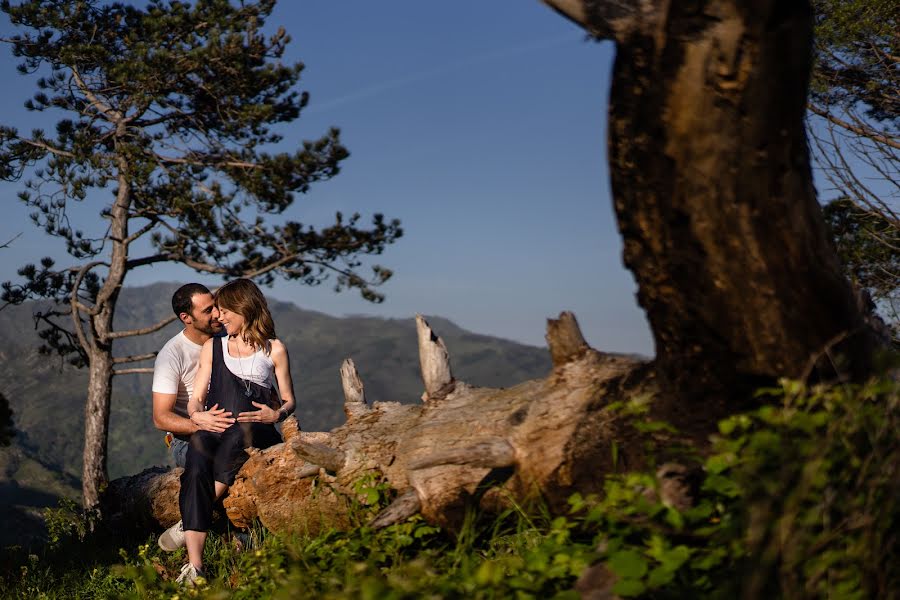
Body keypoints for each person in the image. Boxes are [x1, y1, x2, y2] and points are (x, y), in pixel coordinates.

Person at [169, 279, 296, 586]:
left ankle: (189, 520)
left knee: (238, 437)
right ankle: (195, 567)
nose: (219, 318)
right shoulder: (214, 346)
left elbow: (290, 400)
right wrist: (198, 415)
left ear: (244, 309)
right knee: (197, 459)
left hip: (257, 430)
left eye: (225, 311)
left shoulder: (274, 349)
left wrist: (276, 413)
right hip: (217, 424)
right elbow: (197, 397)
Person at [152, 283, 236, 468]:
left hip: (234, 430)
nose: (216, 314)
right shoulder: (172, 355)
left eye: (215, 306)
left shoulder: (230, 336)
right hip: (189, 440)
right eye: (207, 311)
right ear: (186, 318)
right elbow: (160, 417)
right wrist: (202, 424)